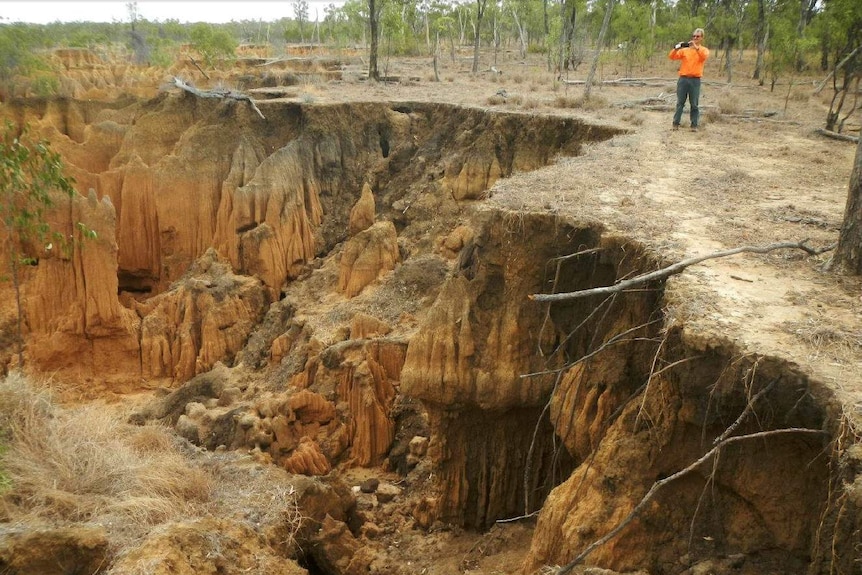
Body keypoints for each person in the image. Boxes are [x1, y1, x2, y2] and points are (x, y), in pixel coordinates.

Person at [669, 28, 709, 131]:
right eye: (694, 36)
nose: (695, 38)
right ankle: (675, 124)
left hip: (695, 80)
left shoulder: (703, 50)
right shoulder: (685, 50)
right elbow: (672, 57)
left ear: (701, 38)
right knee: (680, 102)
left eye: (697, 36)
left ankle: (694, 125)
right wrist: (677, 47)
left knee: (694, 104)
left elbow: (704, 57)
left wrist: (696, 47)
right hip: (683, 79)